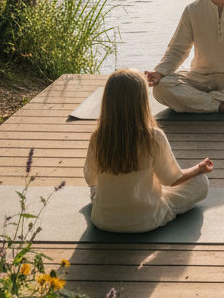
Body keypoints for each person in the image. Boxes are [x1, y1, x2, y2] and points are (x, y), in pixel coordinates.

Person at [84, 68, 213, 233]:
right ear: (142, 101)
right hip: (146, 220)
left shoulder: (98, 137)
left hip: (103, 220)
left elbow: (91, 179)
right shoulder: (154, 137)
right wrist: (198, 169)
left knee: (97, 189)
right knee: (201, 182)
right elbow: (172, 180)